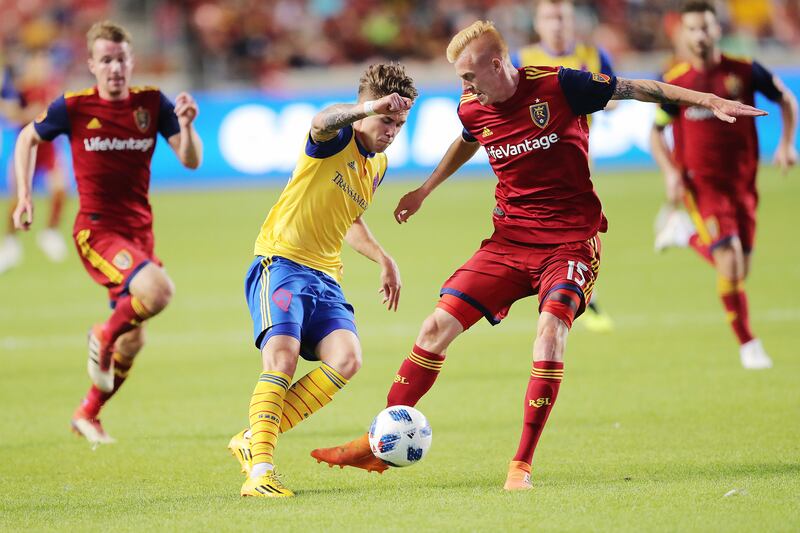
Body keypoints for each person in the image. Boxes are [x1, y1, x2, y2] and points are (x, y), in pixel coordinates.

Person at [309, 20, 765, 491]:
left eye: (469, 77)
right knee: (434, 327)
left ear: (496, 64)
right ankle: (379, 440)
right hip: (509, 243)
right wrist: (425, 190)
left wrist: (707, 100)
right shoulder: (473, 107)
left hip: (570, 243)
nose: (464, 88)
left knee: (549, 335)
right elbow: (467, 139)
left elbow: (638, 88)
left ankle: (520, 466)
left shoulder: (561, 84)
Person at [227, 63, 416, 498]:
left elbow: (349, 220)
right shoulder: (337, 138)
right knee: (282, 357)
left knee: (347, 358)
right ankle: (261, 473)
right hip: (283, 261)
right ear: (366, 108)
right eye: (387, 119)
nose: (392, 130)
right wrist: (367, 107)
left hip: (326, 276)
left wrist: (383, 258)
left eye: (400, 124)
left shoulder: (378, 165)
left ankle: (252, 437)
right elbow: (319, 120)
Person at [12, 21, 202, 443]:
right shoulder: (73, 107)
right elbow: (27, 138)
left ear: (131, 61)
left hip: (140, 235)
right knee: (159, 291)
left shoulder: (152, 104)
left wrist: (187, 126)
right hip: (97, 231)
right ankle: (102, 333)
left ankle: (88, 413)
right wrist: (25, 195)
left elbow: (190, 161)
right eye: (106, 60)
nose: (115, 68)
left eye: (121, 59)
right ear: (92, 65)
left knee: (134, 342)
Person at [650, 0, 797, 369]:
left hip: (743, 183)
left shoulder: (744, 71)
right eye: (693, 28)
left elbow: (786, 99)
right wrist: (670, 172)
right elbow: (656, 131)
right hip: (701, 186)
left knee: (739, 269)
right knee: (729, 262)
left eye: (706, 27)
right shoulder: (676, 81)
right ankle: (749, 344)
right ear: (683, 33)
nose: (700, 35)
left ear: (718, 30)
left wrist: (786, 143)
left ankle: (684, 234)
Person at [513, 0, 616, 332]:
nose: (556, 24)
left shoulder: (592, 56)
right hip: (530, 159)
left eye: (562, 18)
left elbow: (613, 97)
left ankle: (578, 290)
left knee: (580, 228)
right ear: (538, 24)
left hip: (577, 157)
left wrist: (593, 96)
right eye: (549, 17)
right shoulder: (522, 59)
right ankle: (555, 288)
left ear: (572, 22)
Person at [0, 51, 68, 272]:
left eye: (44, 63)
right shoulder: (19, 89)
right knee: (16, 200)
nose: (42, 67)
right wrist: (29, 114)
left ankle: (50, 232)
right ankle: (10, 243)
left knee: (60, 190)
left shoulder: (52, 87)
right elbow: (11, 115)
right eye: (37, 63)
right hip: (27, 150)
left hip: (49, 150)